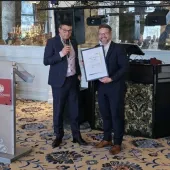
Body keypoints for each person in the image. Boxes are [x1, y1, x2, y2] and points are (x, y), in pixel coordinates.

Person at [43, 20, 87, 148]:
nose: (67, 33)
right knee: (59, 109)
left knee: (75, 109)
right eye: (65, 30)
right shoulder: (52, 42)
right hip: (59, 81)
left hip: (72, 80)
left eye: (69, 31)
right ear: (59, 30)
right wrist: (61, 54)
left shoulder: (73, 42)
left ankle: (76, 135)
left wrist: (79, 73)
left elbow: (76, 60)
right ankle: (58, 135)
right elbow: (46, 61)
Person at [94, 24, 128, 155]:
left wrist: (112, 78)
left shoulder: (118, 48)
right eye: (100, 34)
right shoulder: (96, 49)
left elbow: (124, 67)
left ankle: (117, 143)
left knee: (116, 115)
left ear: (110, 34)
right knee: (105, 114)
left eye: (105, 33)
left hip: (115, 87)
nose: (103, 36)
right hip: (102, 88)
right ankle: (107, 139)